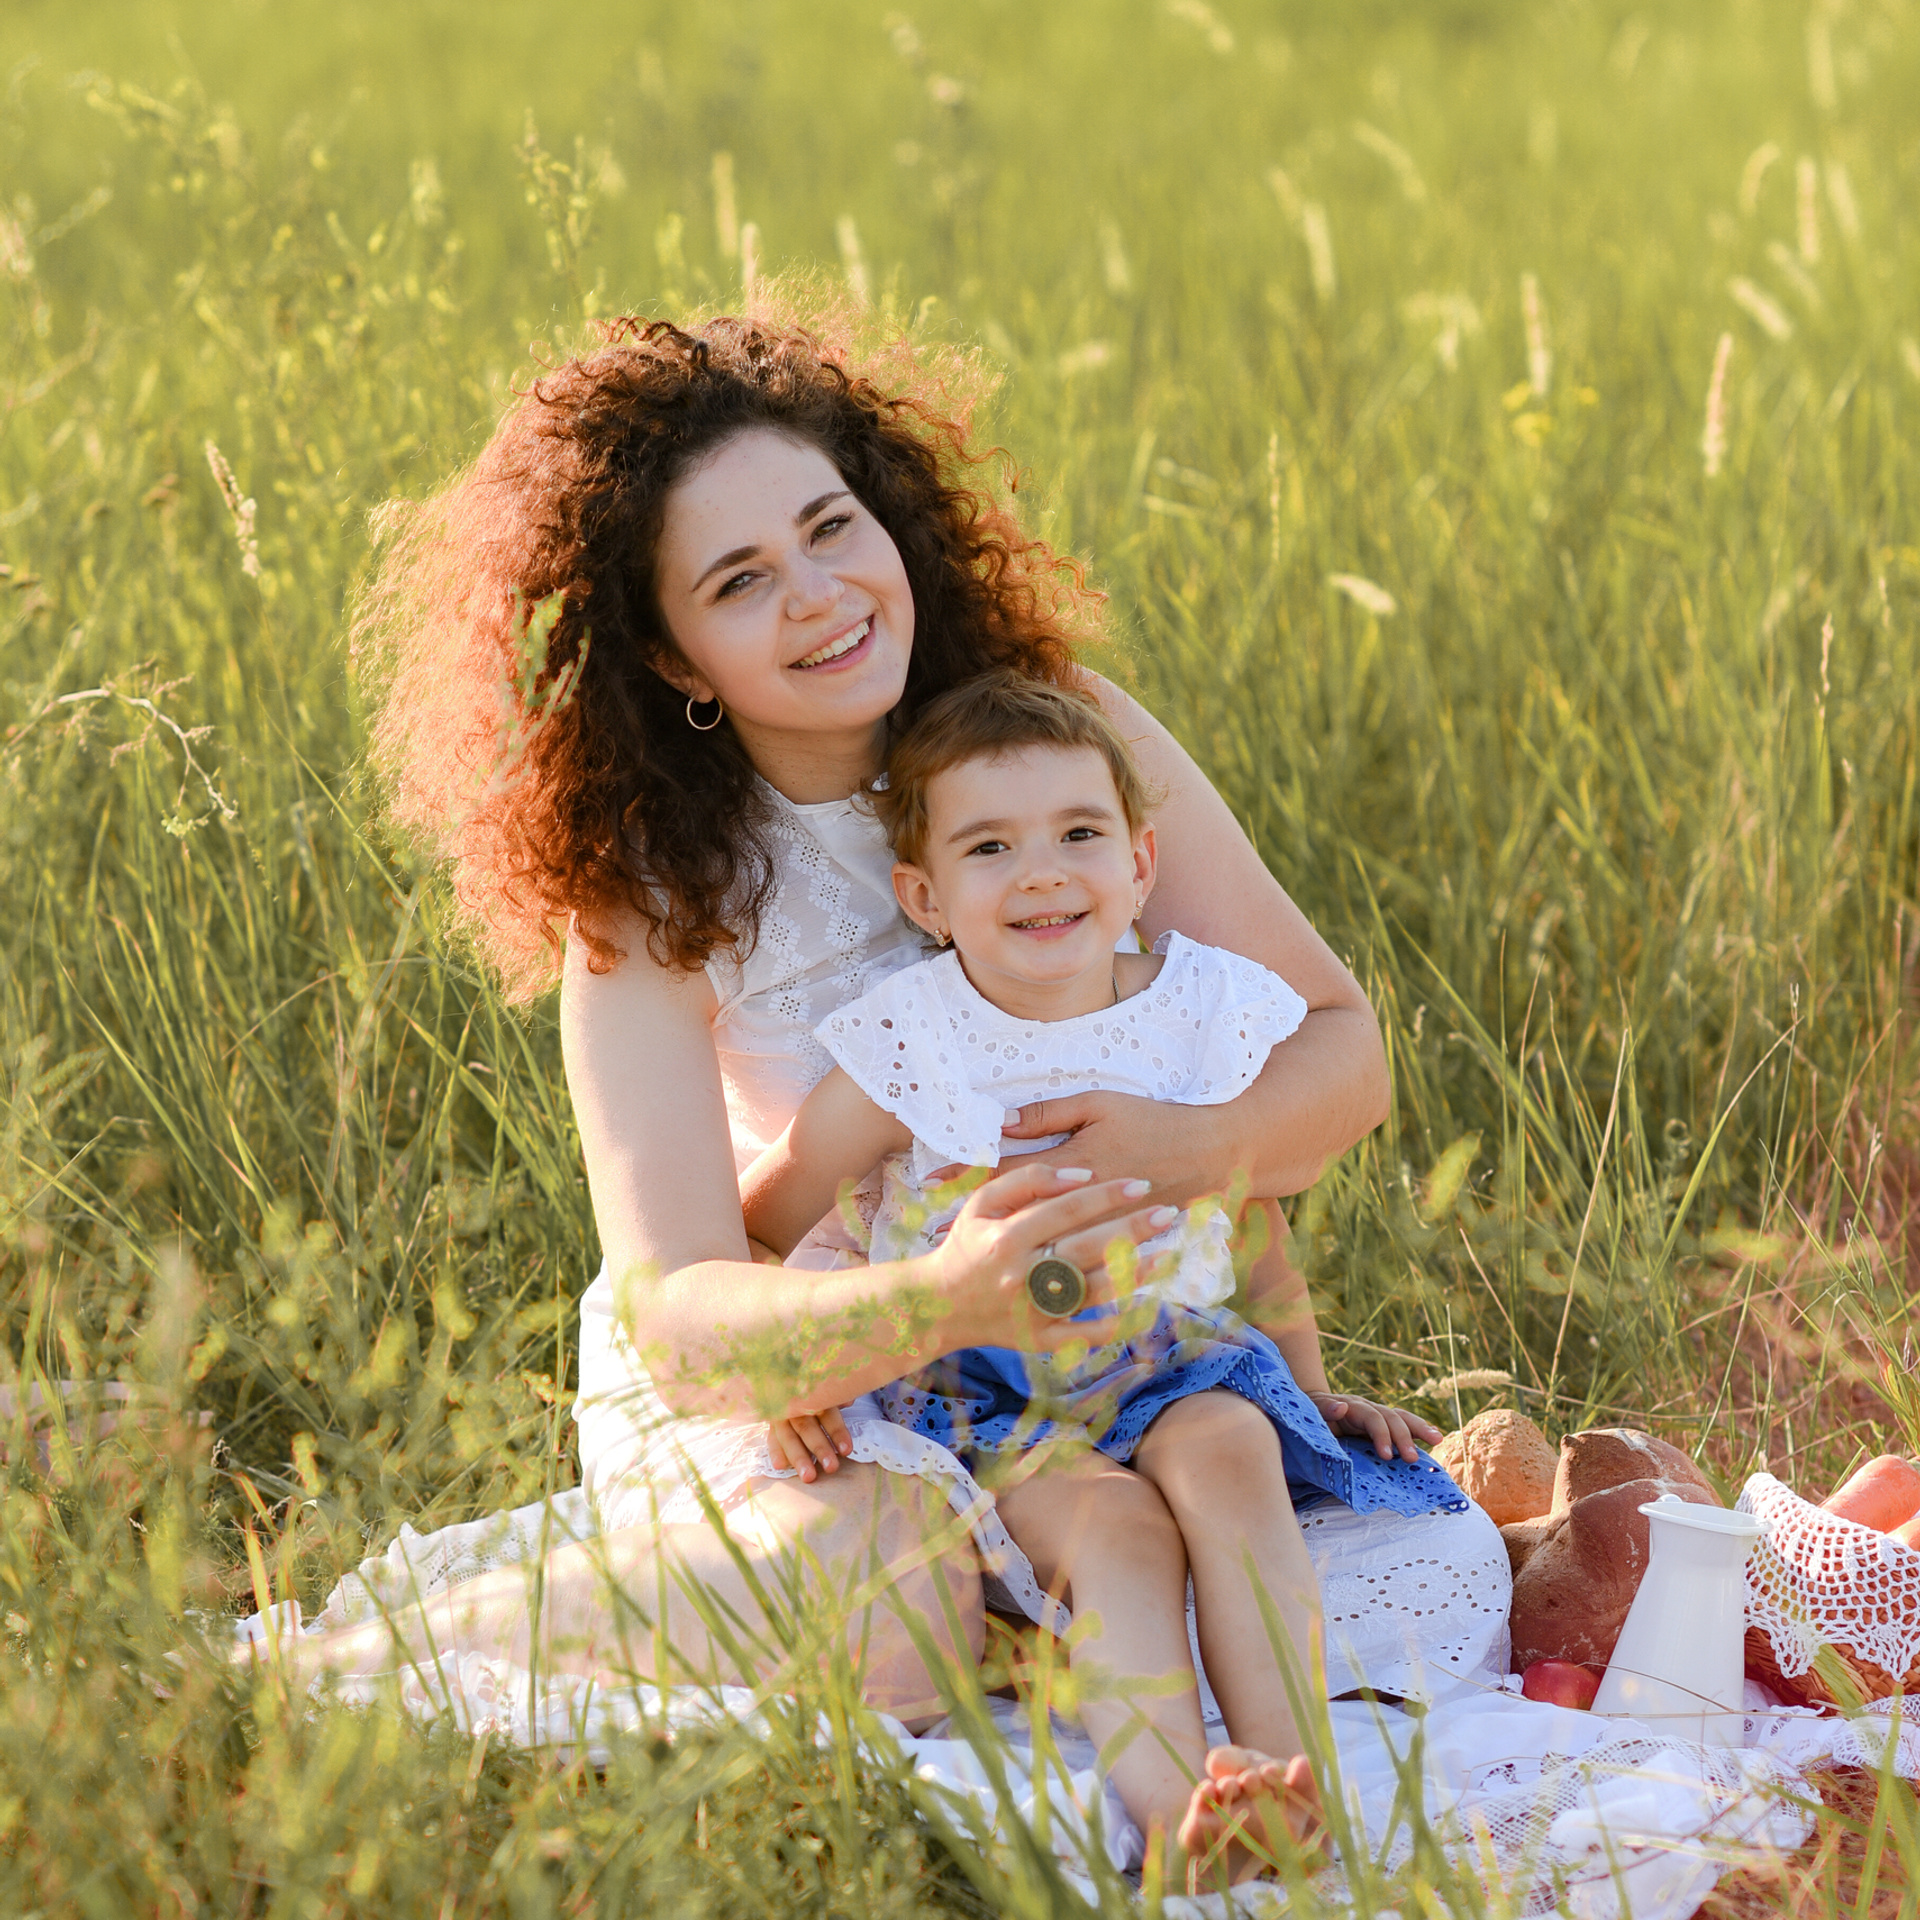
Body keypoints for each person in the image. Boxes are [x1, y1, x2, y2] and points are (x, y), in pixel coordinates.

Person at [271, 308, 1509, 1811]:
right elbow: (684, 1304)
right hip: (813, 1369)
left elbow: (1340, 1051)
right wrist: (910, 1312)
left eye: (831, 527)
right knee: (902, 1609)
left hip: (1091, 1345)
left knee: (1413, 1557)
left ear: (890, 520)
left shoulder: (1057, 745)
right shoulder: (649, 892)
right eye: (740, 581)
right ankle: (415, 1648)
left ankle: (1127, 1688)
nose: (820, 595)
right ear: (671, 653)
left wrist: (1175, 1160)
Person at [739, 671, 1457, 1876]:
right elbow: (762, 1223)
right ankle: (1183, 1809)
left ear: (1139, 861)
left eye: (1079, 834)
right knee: (1114, 1529)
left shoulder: (1194, 1009)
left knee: (1231, 1450)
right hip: (982, 1384)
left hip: (1168, 1354)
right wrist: (788, 1370)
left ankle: (1289, 1783)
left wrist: (1308, 1382)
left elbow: (1250, 1218)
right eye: (989, 846)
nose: (1042, 873)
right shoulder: (915, 1043)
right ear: (923, 895)